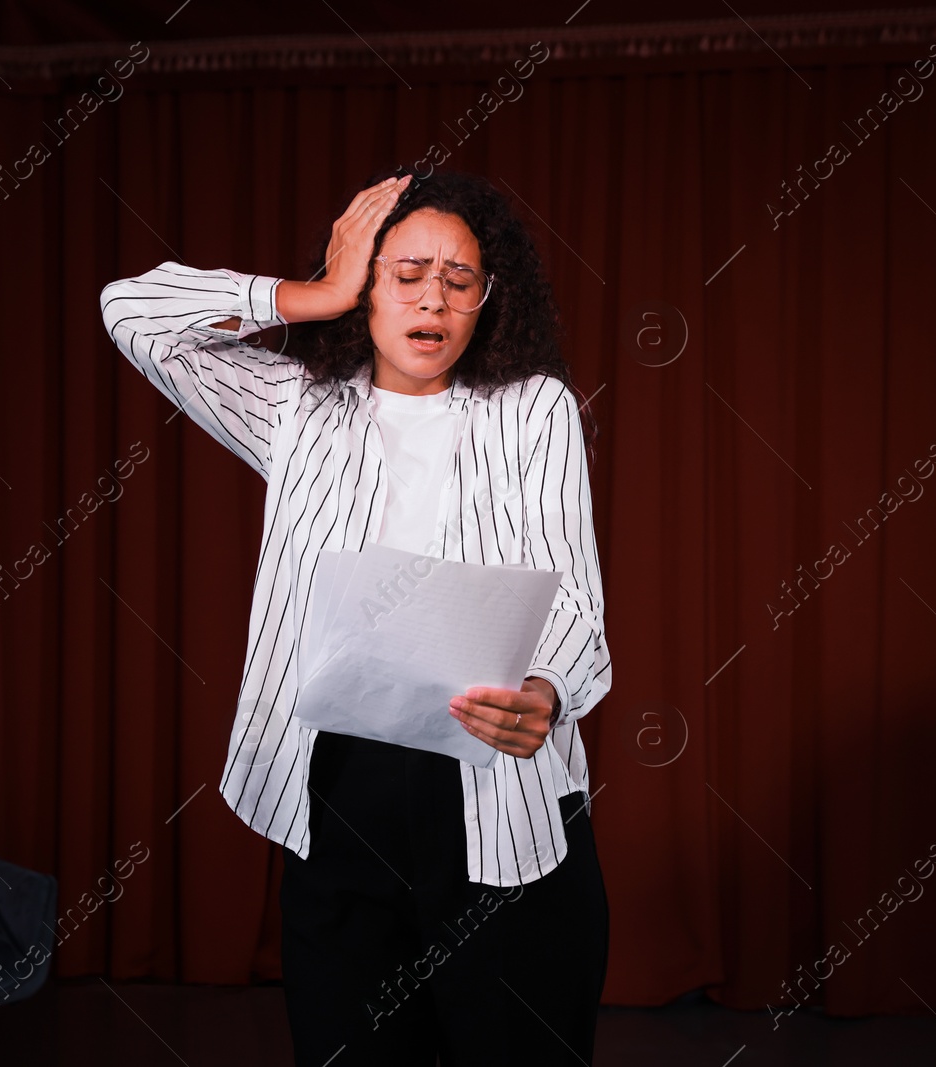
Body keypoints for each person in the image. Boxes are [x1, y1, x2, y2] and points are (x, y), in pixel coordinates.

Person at [100, 168, 611, 1066]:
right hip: (341, 798)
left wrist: (546, 689)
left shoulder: (533, 412)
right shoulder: (298, 413)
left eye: (459, 280)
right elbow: (130, 312)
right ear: (367, 288)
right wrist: (309, 294)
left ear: (488, 299)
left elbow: (573, 600)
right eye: (405, 273)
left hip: (497, 790)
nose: (433, 300)